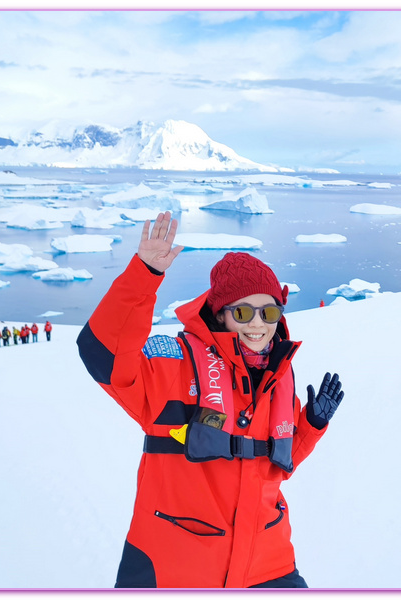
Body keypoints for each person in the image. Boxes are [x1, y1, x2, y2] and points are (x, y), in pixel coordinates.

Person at [77, 212, 344, 589]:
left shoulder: (278, 377)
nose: (257, 324)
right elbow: (103, 355)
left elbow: (276, 466)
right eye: (242, 312)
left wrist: (310, 427)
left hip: (268, 564)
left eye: (268, 311)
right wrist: (144, 274)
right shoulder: (177, 366)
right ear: (220, 314)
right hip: (178, 569)